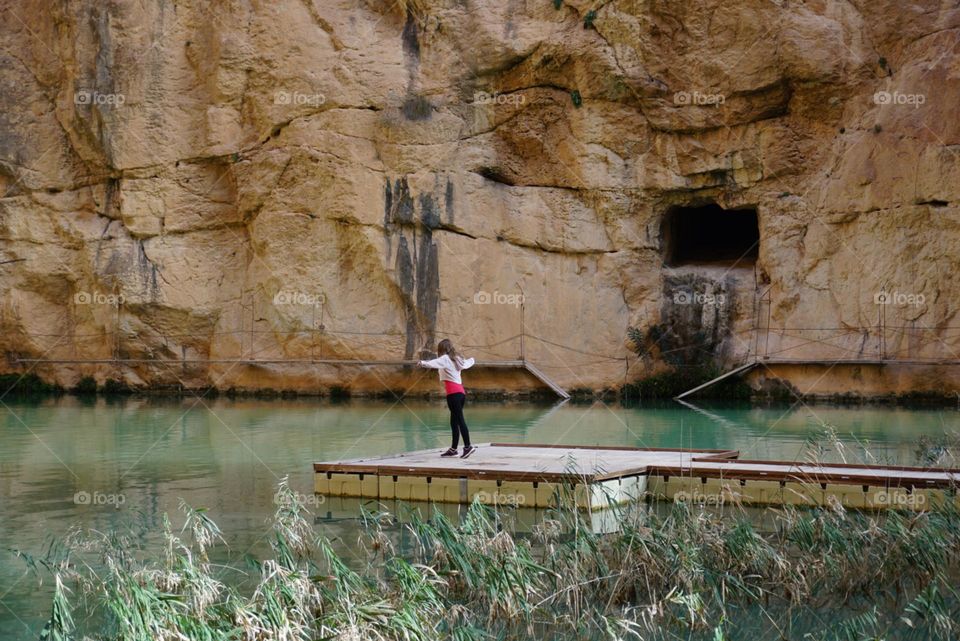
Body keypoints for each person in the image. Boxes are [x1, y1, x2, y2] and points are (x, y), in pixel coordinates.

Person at [418, 339, 476, 458]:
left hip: (453, 394)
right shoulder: (456, 359)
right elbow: (468, 363)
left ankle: (468, 447)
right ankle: (453, 449)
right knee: (454, 422)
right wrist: (473, 360)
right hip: (460, 393)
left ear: (441, 349)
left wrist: (422, 363)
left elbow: (434, 363)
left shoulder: (445, 358)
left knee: (459, 420)